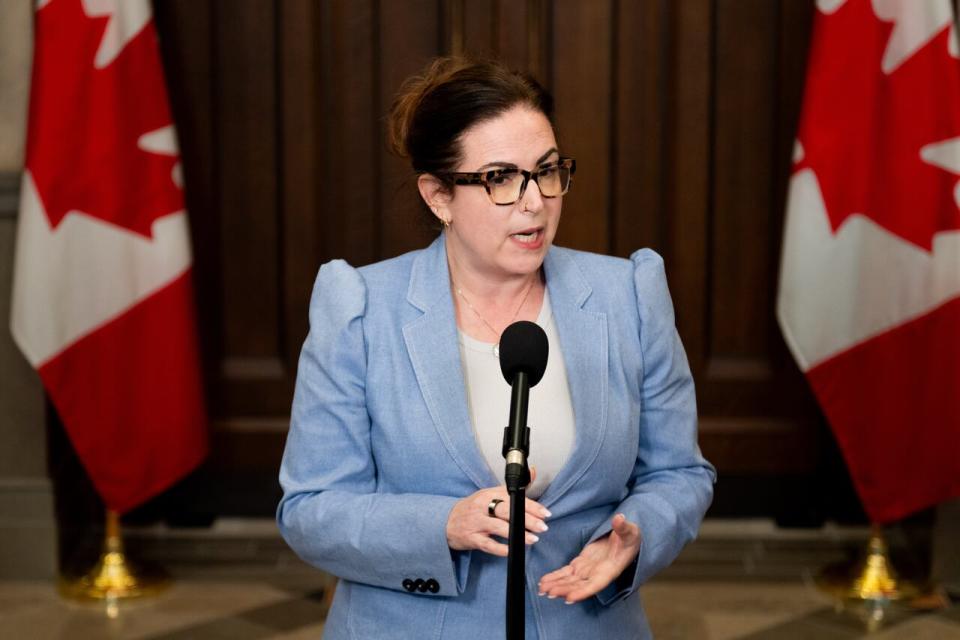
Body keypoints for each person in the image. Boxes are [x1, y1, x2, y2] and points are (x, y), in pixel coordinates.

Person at [277, 57, 715, 639]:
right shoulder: (360, 306)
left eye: (548, 171)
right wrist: (443, 524)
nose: (535, 202)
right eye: (500, 178)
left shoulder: (627, 294)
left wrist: (636, 534)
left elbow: (681, 472)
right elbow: (310, 508)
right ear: (438, 196)